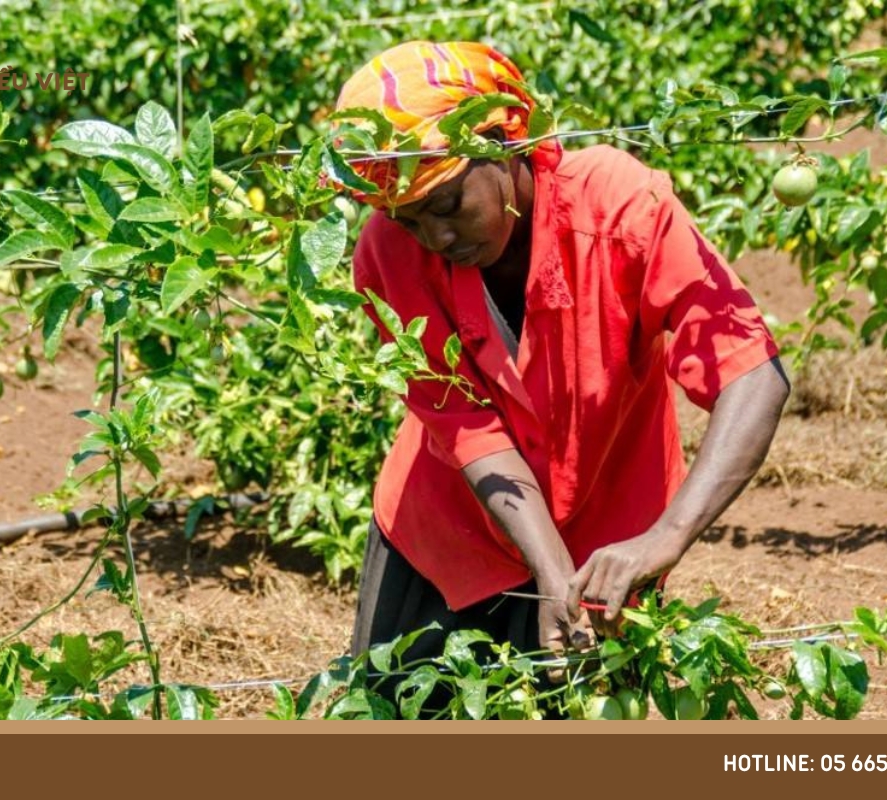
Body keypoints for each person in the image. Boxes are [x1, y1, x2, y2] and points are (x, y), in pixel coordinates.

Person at [334, 42, 790, 704]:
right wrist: (549, 567)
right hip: (453, 533)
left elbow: (752, 371)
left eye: (447, 203)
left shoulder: (618, 205)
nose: (433, 238)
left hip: (611, 537)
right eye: (408, 219)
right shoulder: (388, 257)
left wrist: (664, 539)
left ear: (502, 142)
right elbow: (467, 429)